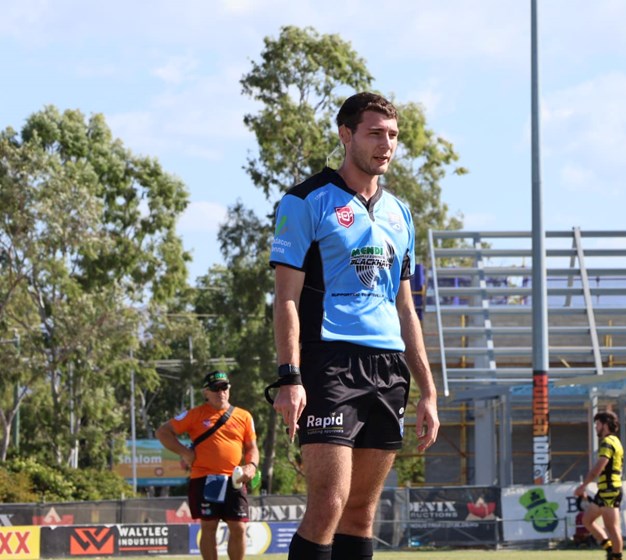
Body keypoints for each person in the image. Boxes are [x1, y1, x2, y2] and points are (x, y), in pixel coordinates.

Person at [268, 91, 440, 560]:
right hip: (328, 362)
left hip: (387, 369)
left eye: (393, 136)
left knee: (362, 511)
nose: (386, 144)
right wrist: (290, 377)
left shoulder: (400, 213)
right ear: (346, 135)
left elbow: (407, 310)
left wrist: (427, 390)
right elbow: (285, 298)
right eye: (375, 133)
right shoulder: (305, 201)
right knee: (328, 503)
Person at [155, 371, 259, 560]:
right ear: (206, 393)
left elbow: (252, 447)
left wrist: (251, 465)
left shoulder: (244, 416)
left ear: (229, 389)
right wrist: (184, 452)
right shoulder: (195, 415)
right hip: (204, 478)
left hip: (234, 479)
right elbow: (163, 432)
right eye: (215, 388)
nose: (221, 392)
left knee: (239, 527)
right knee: (209, 527)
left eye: (224, 387)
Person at [574, 411, 624, 560]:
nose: (595, 427)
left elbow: (598, 468)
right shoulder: (615, 441)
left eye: (597, 424)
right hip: (605, 490)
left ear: (606, 425)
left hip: (610, 489)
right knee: (587, 520)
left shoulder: (608, 442)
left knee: (612, 528)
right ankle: (609, 549)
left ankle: (617, 557)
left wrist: (583, 486)